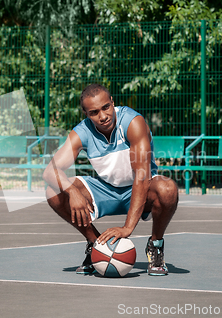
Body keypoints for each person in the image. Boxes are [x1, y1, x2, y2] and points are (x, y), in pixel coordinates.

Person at [42, 84, 178, 276]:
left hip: (141, 188)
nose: (103, 116)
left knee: (168, 188)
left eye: (106, 107)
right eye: (94, 112)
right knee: (54, 191)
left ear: (112, 102)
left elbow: (141, 176)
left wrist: (127, 228)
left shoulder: (132, 122)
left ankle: (155, 244)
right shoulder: (82, 131)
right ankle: (95, 244)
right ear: (86, 114)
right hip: (106, 190)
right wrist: (73, 192)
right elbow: (50, 171)